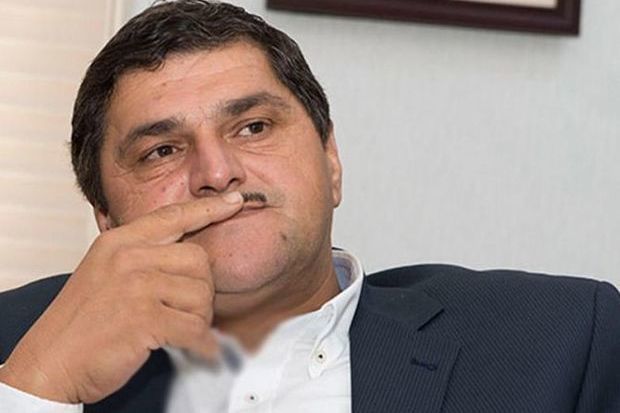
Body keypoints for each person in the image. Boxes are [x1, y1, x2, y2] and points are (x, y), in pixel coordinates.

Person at [0, 1, 618, 412]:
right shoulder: (20, 347)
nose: (216, 173)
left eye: (253, 127)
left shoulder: (558, 340)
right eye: (162, 150)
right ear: (106, 218)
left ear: (331, 161)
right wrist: (36, 390)